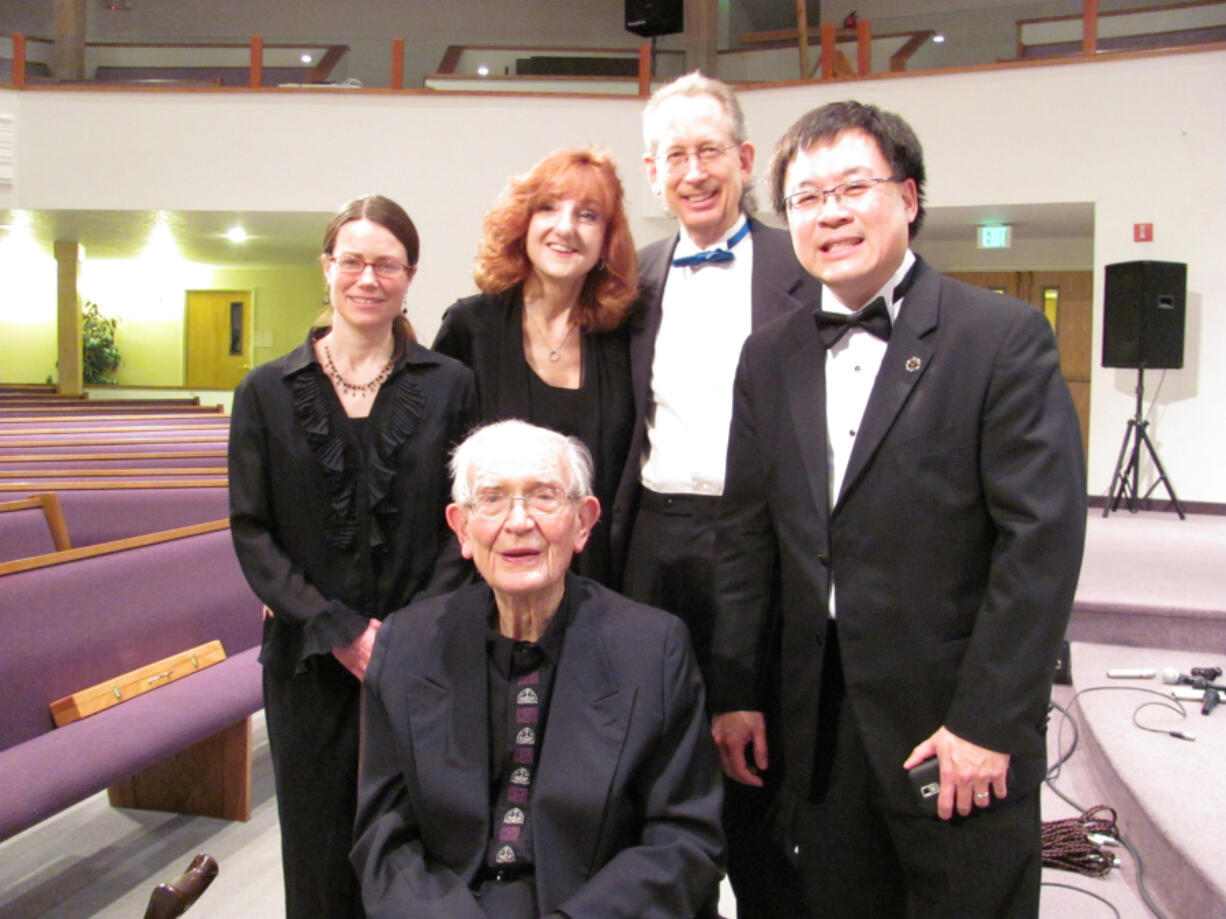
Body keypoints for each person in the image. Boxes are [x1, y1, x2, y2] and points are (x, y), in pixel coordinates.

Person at [709, 100, 1087, 918]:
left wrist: (989, 721)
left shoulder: (1002, 337)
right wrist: (737, 689)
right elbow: (744, 537)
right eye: (806, 197)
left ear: (909, 198)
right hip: (816, 720)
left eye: (853, 186)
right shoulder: (768, 356)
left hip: (953, 720)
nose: (831, 212)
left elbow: (1040, 547)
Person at [351, 420, 724, 919]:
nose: (519, 521)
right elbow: (384, 834)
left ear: (584, 521)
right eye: (492, 499)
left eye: (544, 496)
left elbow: (684, 837)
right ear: (461, 527)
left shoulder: (653, 647)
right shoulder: (407, 645)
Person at [228, 194, 476, 919]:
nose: (369, 278)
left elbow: (462, 525)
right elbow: (252, 532)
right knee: (317, 846)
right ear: (328, 267)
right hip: (309, 662)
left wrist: (400, 636)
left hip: (425, 657)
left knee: (420, 843)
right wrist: (343, 633)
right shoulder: (267, 391)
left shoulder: (452, 385)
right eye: (354, 261)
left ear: (411, 274)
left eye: (387, 264)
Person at [609, 71, 817, 918]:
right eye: (673, 155)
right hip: (654, 537)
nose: (692, 171)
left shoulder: (801, 261)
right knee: (651, 749)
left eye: (708, 150)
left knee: (759, 754)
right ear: (652, 172)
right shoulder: (631, 280)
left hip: (764, 539)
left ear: (744, 159)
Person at [433, 147, 638, 587]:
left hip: (601, 583)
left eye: (588, 215)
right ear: (523, 222)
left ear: (607, 240)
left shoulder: (626, 336)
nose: (565, 227)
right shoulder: (470, 327)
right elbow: (434, 470)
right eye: (548, 208)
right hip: (485, 583)